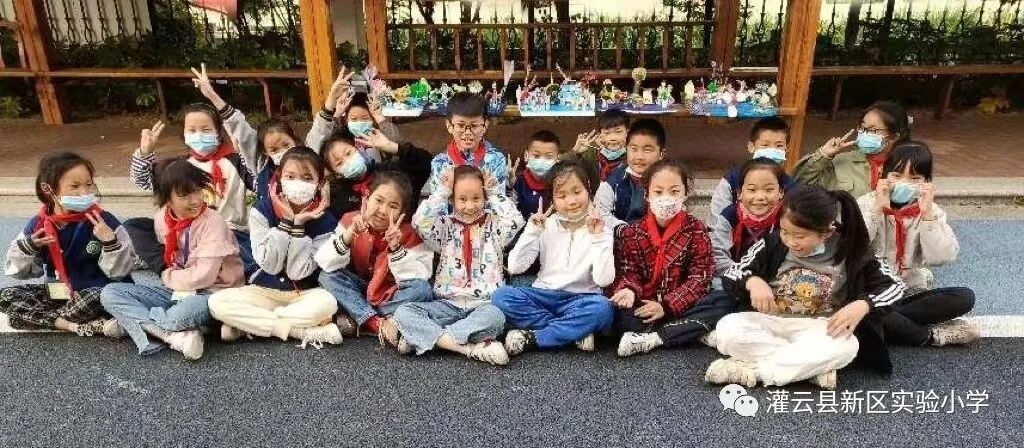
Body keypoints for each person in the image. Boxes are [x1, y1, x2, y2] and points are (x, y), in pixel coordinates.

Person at [706, 185, 907, 390]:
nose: (791, 241)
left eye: (800, 236)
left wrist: (864, 304)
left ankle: (755, 372)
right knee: (727, 329)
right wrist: (752, 282)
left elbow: (896, 285)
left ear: (827, 232)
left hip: (821, 327)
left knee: (847, 347)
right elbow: (733, 272)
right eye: (785, 232)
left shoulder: (853, 250)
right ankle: (809, 367)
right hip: (771, 321)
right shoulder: (773, 242)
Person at [101, 159, 244, 359]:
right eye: (185, 195)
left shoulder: (213, 223)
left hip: (212, 291)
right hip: (178, 289)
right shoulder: (162, 217)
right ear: (167, 199)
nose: (195, 200)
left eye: (197, 191)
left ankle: (134, 322)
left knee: (179, 315)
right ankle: (179, 334)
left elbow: (204, 276)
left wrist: (167, 275)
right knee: (111, 293)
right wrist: (170, 278)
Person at [383, 166, 524, 365]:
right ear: (452, 199)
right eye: (462, 199)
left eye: (477, 198)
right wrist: (441, 192)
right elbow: (420, 222)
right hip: (446, 305)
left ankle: (424, 338)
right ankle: (469, 348)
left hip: (483, 305)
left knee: (497, 318)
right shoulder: (445, 226)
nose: (470, 206)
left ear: (484, 197)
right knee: (404, 313)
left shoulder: (495, 226)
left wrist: (494, 193)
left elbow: (516, 220)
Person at [207, 147, 342, 349]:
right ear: (279, 178)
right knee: (217, 303)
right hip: (264, 290)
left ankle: (251, 326)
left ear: (319, 184)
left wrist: (299, 225)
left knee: (328, 303)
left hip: (304, 294)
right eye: (290, 176)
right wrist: (286, 221)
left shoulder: (326, 221)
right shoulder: (261, 211)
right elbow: (269, 265)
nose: (298, 183)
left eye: (307, 178)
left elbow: (297, 272)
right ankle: (298, 331)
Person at [856, 141, 979, 347]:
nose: (904, 183)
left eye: (914, 178)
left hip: (909, 290)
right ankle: (930, 335)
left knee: (965, 297)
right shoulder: (865, 204)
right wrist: (877, 210)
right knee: (868, 311)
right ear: (884, 175)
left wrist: (927, 215)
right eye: (897, 176)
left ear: (926, 182)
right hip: (872, 291)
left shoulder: (931, 211)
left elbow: (942, 257)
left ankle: (884, 322)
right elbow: (852, 247)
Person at [1, 152, 135, 336]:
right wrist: (28, 248)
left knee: (101, 296)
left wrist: (110, 242)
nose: (85, 192)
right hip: (60, 295)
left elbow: (120, 272)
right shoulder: (39, 224)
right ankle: (78, 325)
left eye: (88, 184)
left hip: (99, 293)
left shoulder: (103, 220)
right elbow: (19, 272)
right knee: (6, 296)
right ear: (48, 188)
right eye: (75, 186)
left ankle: (45, 319)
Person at [608, 159, 732, 357]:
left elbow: (700, 277)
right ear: (647, 195)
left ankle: (656, 337)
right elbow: (628, 271)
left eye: (674, 192)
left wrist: (666, 306)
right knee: (619, 315)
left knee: (723, 299)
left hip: (682, 304)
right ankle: (691, 331)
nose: (666, 198)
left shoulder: (696, 229)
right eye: (658, 192)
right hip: (646, 304)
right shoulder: (632, 232)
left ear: (685, 194)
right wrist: (628, 291)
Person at [493, 161, 615, 357]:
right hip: (543, 295)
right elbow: (515, 267)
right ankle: (572, 332)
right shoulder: (545, 225)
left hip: (581, 299)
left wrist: (598, 237)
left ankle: (535, 337)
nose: (571, 201)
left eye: (577, 192)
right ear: (552, 199)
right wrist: (532, 232)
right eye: (562, 196)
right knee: (501, 296)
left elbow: (604, 280)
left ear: (588, 190)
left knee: (603, 309)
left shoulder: (601, 228)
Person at [127, 103, 255, 276]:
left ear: (218, 132)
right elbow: (143, 180)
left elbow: (261, 180)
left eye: (205, 130)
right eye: (192, 130)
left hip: (227, 232)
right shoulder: (181, 166)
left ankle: (199, 266)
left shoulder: (236, 162)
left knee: (245, 257)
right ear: (184, 134)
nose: (199, 135)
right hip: (186, 232)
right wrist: (145, 152)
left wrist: (246, 152)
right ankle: (167, 268)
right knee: (133, 226)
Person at [316, 171, 434, 336]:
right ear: (367, 197)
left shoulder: (410, 233)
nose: (383, 210)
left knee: (422, 290)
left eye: (393, 206)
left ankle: (357, 313)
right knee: (326, 277)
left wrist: (396, 248)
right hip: (359, 287)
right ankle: (375, 323)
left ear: (402, 212)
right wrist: (350, 233)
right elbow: (324, 261)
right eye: (378, 200)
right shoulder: (350, 220)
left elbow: (421, 276)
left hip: (391, 293)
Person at [794, 101, 911, 198]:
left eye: (872, 130)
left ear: (894, 137)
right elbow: (801, 187)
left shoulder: (909, 167)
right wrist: (823, 155)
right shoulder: (842, 161)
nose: (864, 134)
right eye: (862, 128)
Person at [320, 128, 431, 219]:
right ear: (336, 173)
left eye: (348, 153)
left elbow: (427, 163)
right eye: (339, 163)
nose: (347, 161)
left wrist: (394, 147)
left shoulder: (389, 171)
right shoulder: (338, 194)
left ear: (358, 149)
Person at [710, 158, 786, 277]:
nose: (760, 197)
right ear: (739, 193)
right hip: (734, 276)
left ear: (781, 192)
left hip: (776, 278)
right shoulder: (730, 215)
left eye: (769, 190)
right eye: (752, 190)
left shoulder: (786, 216)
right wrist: (747, 278)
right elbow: (718, 257)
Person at [709, 116, 797, 217]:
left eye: (779, 146)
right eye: (765, 145)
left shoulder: (790, 186)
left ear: (786, 149)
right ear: (751, 146)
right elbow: (718, 213)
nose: (772, 150)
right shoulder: (732, 179)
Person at [424, 92, 509, 193]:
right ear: (449, 126)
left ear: (485, 126)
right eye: (461, 125)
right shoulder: (440, 163)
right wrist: (447, 191)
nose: (467, 132)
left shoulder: (496, 160)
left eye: (474, 126)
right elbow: (436, 201)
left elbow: (499, 200)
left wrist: (489, 192)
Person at [594, 118, 666, 227]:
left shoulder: (670, 179)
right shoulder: (613, 180)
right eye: (634, 149)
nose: (639, 156)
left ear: (661, 153)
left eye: (647, 150)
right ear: (626, 148)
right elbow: (600, 212)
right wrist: (621, 229)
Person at [509, 130, 562, 220]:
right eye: (536, 156)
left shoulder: (561, 182)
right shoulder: (518, 182)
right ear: (526, 156)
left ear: (558, 158)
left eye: (549, 156)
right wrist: (509, 186)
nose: (542, 161)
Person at [571, 108, 630, 183]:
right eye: (607, 133)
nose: (613, 138)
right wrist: (575, 152)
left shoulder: (634, 156)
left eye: (618, 132)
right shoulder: (592, 155)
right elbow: (561, 170)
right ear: (600, 135)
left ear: (627, 133)